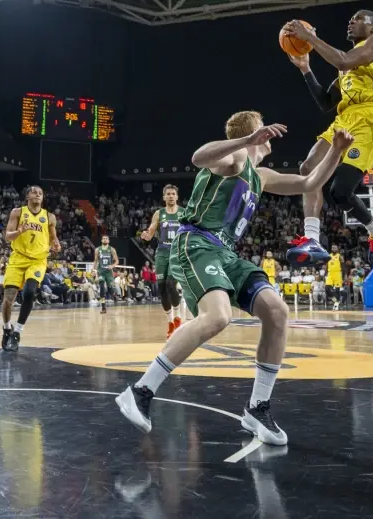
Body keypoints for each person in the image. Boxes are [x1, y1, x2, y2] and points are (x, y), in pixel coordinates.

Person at [116, 113, 351, 447]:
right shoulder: (236, 157)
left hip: (225, 252)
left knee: (277, 311)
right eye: (261, 125)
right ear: (254, 132)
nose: (269, 133)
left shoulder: (261, 175)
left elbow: (310, 183)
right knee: (218, 316)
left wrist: (337, 151)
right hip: (197, 242)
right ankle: (141, 391)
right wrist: (245, 141)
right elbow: (198, 157)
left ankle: (257, 408)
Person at [282, 14, 373, 267]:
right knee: (308, 168)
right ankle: (312, 238)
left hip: (370, 118)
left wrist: (309, 37)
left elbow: (343, 58)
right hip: (344, 119)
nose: (350, 22)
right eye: (350, 19)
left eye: (358, 19)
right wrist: (305, 69)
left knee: (340, 193)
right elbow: (326, 102)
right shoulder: (346, 69)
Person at [0, 186, 60, 352]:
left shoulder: (49, 217)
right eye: (34, 192)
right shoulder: (17, 212)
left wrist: (56, 245)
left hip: (38, 260)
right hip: (18, 258)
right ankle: (7, 328)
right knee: (8, 299)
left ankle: (17, 332)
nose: (38, 195)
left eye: (40, 193)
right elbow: (7, 237)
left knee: (29, 292)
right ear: (27, 196)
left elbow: (54, 239)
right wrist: (19, 231)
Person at [140, 185, 184, 337]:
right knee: (162, 287)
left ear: (177, 196)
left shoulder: (183, 213)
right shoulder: (159, 214)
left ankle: (178, 317)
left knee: (171, 284)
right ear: (164, 197)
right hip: (162, 253)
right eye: (168, 194)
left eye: (173, 194)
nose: (171, 196)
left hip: (177, 253)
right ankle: (170, 322)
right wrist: (146, 236)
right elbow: (151, 231)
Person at [95, 235, 118, 315]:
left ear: (108, 241)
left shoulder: (112, 249)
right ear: (101, 240)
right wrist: (94, 270)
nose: (105, 240)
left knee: (110, 289)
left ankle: (114, 295)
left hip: (109, 272)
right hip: (101, 271)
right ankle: (103, 307)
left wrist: (112, 266)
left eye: (106, 239)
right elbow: (95, 261)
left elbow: (117, 261)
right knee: (102, 287)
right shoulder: (97, 249)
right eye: (103, 238)